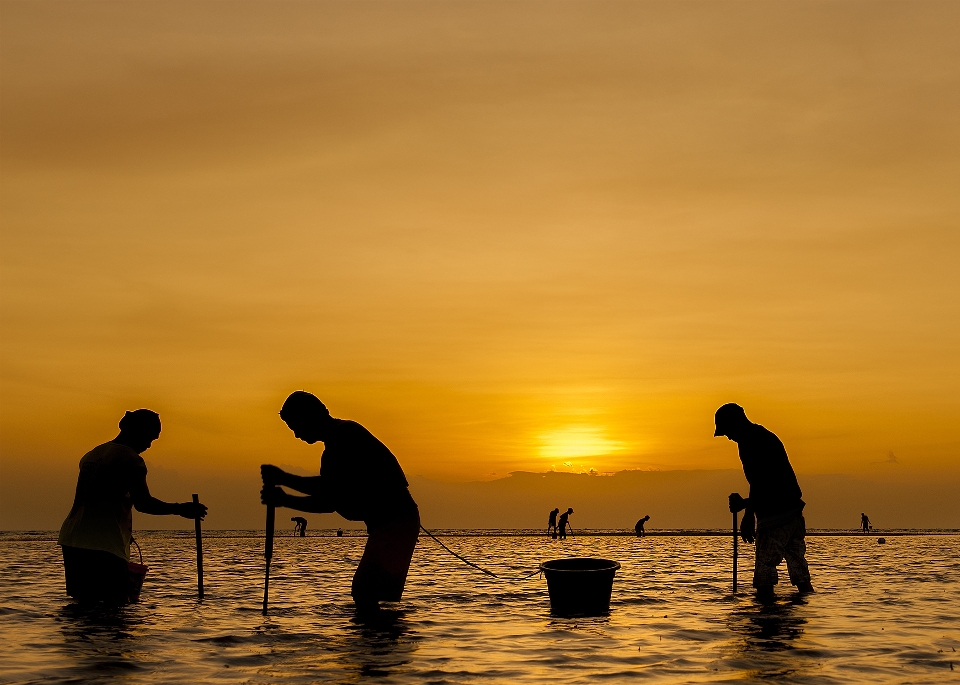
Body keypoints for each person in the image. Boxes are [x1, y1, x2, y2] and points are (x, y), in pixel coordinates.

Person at [260, 391, 420, 614]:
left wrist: (284, 482)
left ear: (309, 417)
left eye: (295, 426)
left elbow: (328, 490)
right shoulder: (333, 446)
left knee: (365, 591)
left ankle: (380, 643)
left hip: (396, 522)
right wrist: (286, 498)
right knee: (368, 593)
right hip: (389, 525)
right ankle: (379, 642)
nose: (296, 435)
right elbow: (330, 500)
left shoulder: (344, 435)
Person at [57, 409, 208, 604]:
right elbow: (144, 503)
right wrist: (180, 509)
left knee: (83, 605)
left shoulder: (93, 454)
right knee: (117, 605)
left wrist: (124, 530)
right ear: (137, 431)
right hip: (104, 545)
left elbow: (102, 498)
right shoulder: (130, 459)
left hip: (73, 539)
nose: (148, 445)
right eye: (149, 438)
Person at [716, 403, 814, 601]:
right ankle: (802, 615)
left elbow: (759, 481)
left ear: (735, 423)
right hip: (793, 513)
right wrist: (745, 504)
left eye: (727, 430)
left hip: (775, 517)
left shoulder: (749, 441)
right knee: (800, 573)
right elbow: (768, 484)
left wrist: (747, 514)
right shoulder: (763, 435)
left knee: (764, 574)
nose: (727, 436)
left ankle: (766, 619)